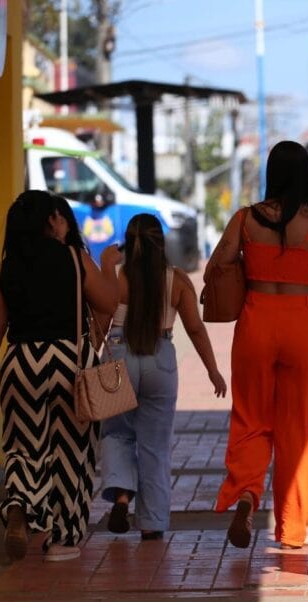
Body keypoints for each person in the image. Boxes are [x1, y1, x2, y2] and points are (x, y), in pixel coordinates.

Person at [209, 140, 308, 550]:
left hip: (256, 322)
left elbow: (219, 263)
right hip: (300, 326)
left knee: (250, 417)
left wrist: (249, 261)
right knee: (300, 428)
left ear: (271, 174)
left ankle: (245, 492)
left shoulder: (245, 219)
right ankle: (293, 528)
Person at [0, 189, 121, 561]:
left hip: (21, 362)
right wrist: (105, 266)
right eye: (55, 217)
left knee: (25, 446)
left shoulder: (3, 269)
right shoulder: (75, 259)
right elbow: (107, 303)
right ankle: (64, 541)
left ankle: (20, 504)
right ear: (49, 222)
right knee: (72, 451)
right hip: (69, 362)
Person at [98, 214, 227, 541]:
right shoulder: (178, 280)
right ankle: (153, 523)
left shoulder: (114, 276)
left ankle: (123, 494)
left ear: (128, 240)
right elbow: (195, 329)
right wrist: (213, 371)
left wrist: (104, 266)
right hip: (161, 360)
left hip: (117, 356)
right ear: (161, 243)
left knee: (115, 432)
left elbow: (98, 323)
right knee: (155, 446)